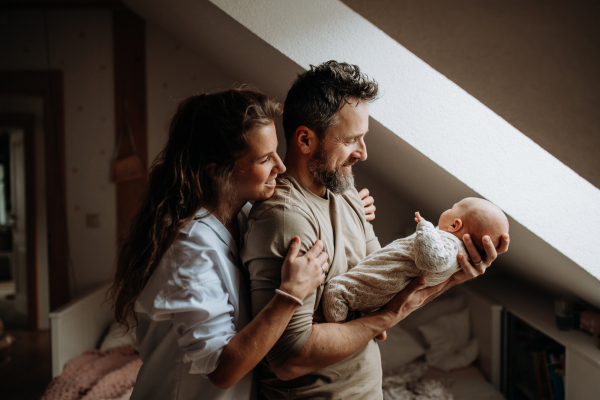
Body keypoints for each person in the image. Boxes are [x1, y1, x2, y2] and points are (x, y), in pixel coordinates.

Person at [241, 61, 510, 399]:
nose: (363, 153)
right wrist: (388, 318)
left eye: (364, 137)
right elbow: (290, 358)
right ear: (305, 139)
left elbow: (385, 286)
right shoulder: (285, 219)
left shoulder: (346, 189)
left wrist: (454, 272)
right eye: (352, 140)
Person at [109, 87, 336, 400]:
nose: (280, 167)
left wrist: (345, 207)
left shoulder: (243, 214)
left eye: (276, 152)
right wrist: (291, 295)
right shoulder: (189, 250)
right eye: (264, 158)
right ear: (218, 172)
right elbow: (221, 370)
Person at [323, 198, 509, 322]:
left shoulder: (450, 243)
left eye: (452, 208)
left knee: (336, 291)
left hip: (366, 290)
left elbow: (431, 260)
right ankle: (345, 323)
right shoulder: (459, 256)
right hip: (379, 293)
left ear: (454, 225)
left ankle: (336, 326)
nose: (448, 209)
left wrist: (425, 226)